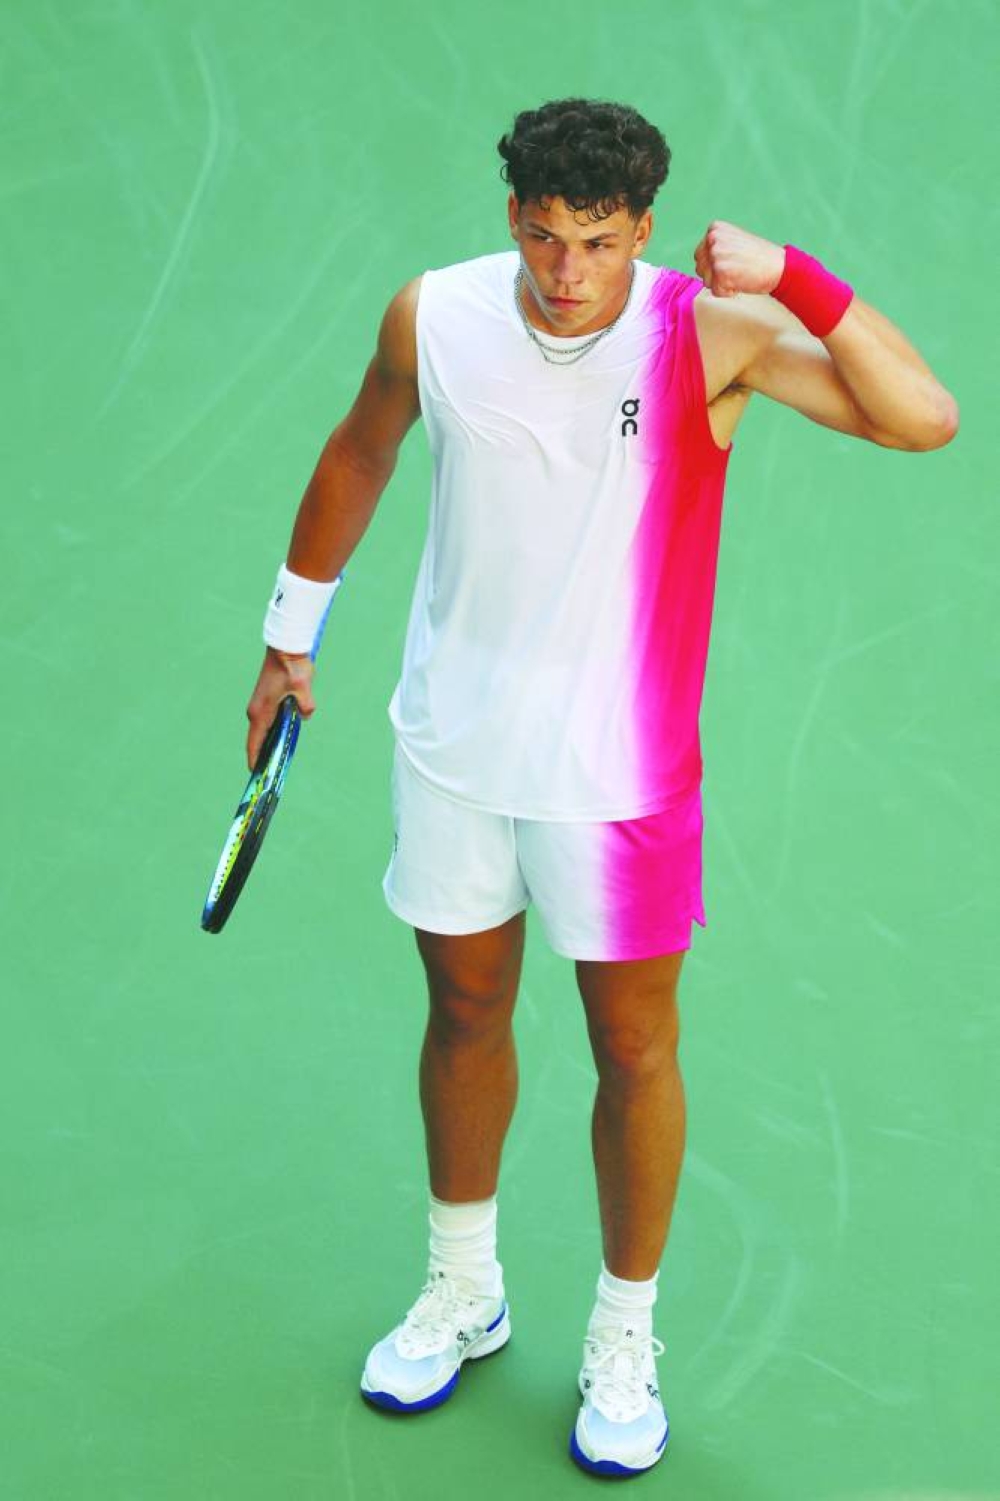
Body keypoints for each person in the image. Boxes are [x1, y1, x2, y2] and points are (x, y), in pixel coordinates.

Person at [245, 98, 958, 1478]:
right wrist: (290, 630)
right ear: (511, 216)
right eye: (543, 238)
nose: (567, 275)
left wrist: (797, 277)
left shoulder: (708, 329)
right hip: (451, 744)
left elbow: (922, 418)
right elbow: (360, 448)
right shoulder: (436, 317)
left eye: (597, 243)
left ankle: (624, 1332)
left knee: (631, 1051)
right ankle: (465, 1285)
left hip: (616, 786)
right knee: (462, 1008)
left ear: (643, 227)